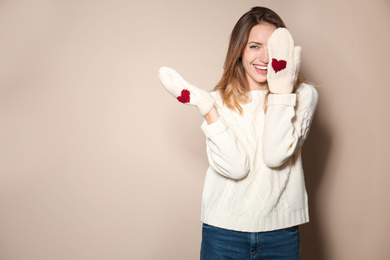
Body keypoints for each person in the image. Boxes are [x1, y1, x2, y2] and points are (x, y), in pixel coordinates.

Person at [158, 6, 318, 260]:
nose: (265, 57)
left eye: (273, 48)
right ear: (239, 51)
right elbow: (235, 168)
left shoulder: (302, 96)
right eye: (255, 46)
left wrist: (282, 91)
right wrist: (207, 107)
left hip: (280, 235)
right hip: (223, 233)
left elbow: (275, 155)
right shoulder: (215, 101)